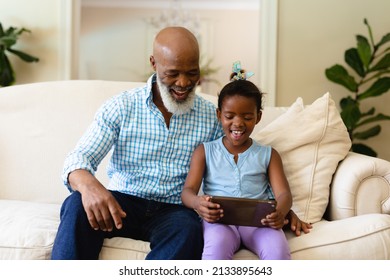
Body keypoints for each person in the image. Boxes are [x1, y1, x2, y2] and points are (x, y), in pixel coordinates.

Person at [52, 26, 310, 260]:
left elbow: (237, 169)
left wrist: (281, 211)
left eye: (192, 73)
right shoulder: (121, 107)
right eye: (172, 73)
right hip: (123, 203)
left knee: (190, 230)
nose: (184, 83)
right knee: (75, 205)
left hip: (174, 212)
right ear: (153, 63)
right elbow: (78, 159)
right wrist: (88, 186)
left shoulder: (213, 116)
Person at [181, 67, 295, 260]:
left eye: (247, 117)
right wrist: (198, 203)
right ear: (219, 115)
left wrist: (280, 212)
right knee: (215, 250)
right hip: (219, 222)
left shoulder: (269, 155)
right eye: (229, 116)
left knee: (278, 252)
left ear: (258, 117)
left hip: (260, 222)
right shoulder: (204, 151)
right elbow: (187, 192)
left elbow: (284, 194)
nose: (238, 123)